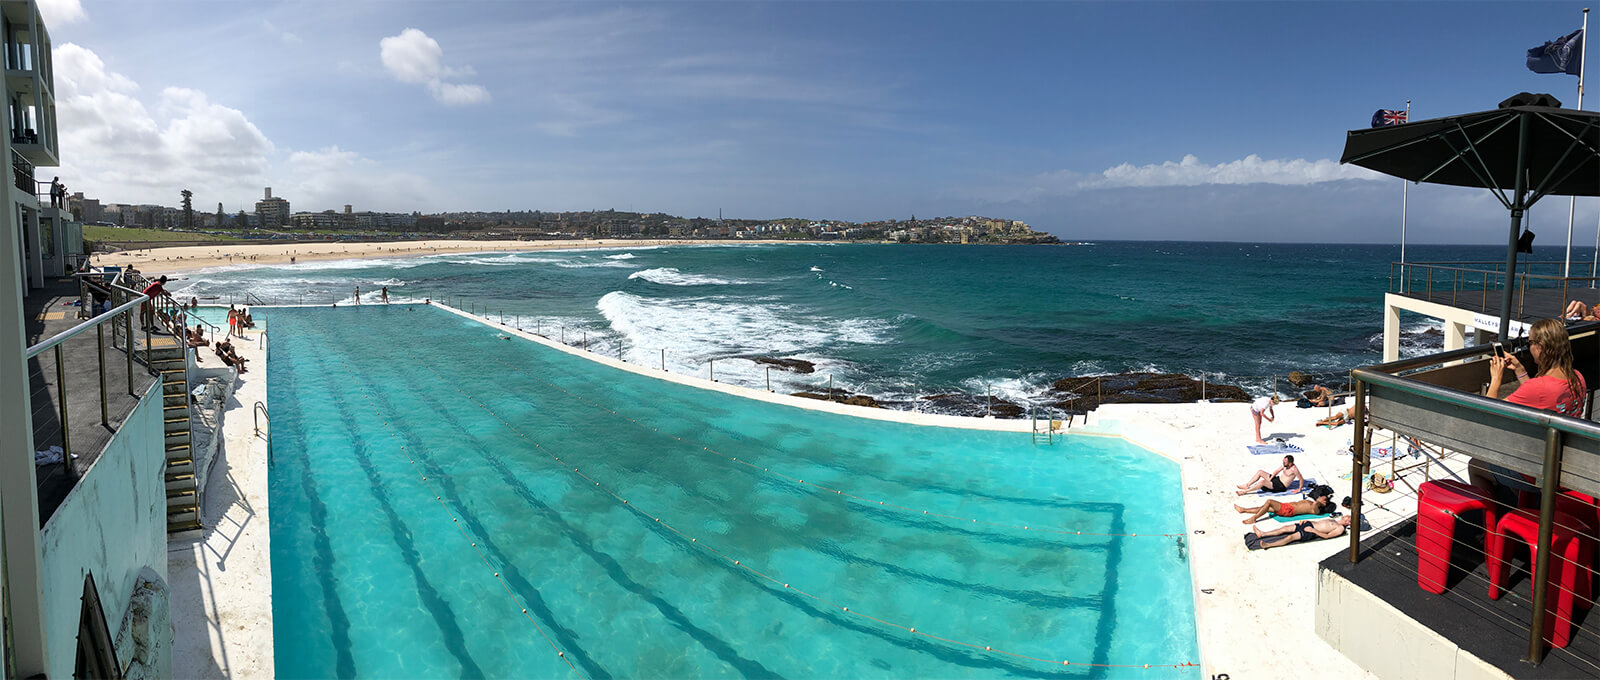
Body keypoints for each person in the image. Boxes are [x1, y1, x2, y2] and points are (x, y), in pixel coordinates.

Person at [1471, 318, 1588, 502]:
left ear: (1540, 347)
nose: (1529, 347)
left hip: (1535, 473)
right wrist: (1519, 369)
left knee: (1475, 466)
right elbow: (1539, 399)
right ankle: (1521, 509)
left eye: (1530, 343)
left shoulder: (1538, 387)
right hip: (1564, 466)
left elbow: (1487, 412)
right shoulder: (1577, 378)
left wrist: (1495, 379)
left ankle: (1487, 526)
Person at [1245, 514, 1353, 550]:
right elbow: (1320, 523)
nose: (1347, 516)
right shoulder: (1334, 519)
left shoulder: (1340, 528)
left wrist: (1313, 530)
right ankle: (1263, 534)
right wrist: (1309, 521)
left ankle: (1268, 544)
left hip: (1311, 532)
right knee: (1284, 528)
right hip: (1309, 525)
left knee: (1289, 538)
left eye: (1349, 518)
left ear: (1348, 523)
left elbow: (1327, 536)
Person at [1233, 495, 1337, 525]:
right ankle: (1244, 510)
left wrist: (1320, 502)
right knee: (1265, 508)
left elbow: (1315, 506)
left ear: (1324, 502)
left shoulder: (1316, 509)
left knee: (1269, 501)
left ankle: (1254, 518)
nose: (1319, 497)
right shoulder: (1314, 504)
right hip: (1287, 507)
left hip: (1289, 510)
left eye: (1322, 497)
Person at [1236, 455, 1305, 495]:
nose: (1283, 463)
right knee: (1260, 471)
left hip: (1281, 486)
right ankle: (1247, 485)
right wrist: (1271, 477)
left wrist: (1299, 489)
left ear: (1290, 463)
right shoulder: (1285, 465)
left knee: (1262, 482)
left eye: (1285, 462)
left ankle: (1245, 492)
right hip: (1277, 480)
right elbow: (1277, 471)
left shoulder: (1294, 469)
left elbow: (1301, 479)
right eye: (1283, 461)